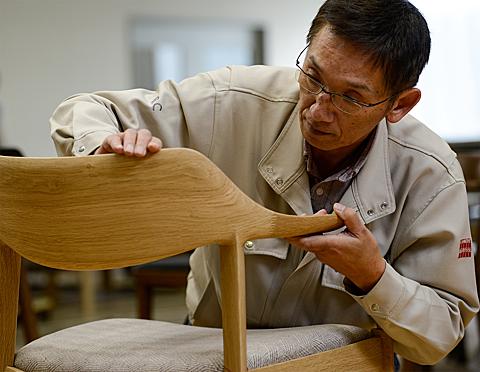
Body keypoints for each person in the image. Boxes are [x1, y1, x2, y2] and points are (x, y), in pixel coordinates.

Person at [50, 0, 479, 365]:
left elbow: (439, 337)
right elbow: (86, 108)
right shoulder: (234, 102)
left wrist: (373, 276)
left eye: (350, 97)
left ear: (399, 104)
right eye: (313, 76)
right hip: (212, 347)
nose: (318, 110)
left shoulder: (431, 175)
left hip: (340, 364)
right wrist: (104, 145)